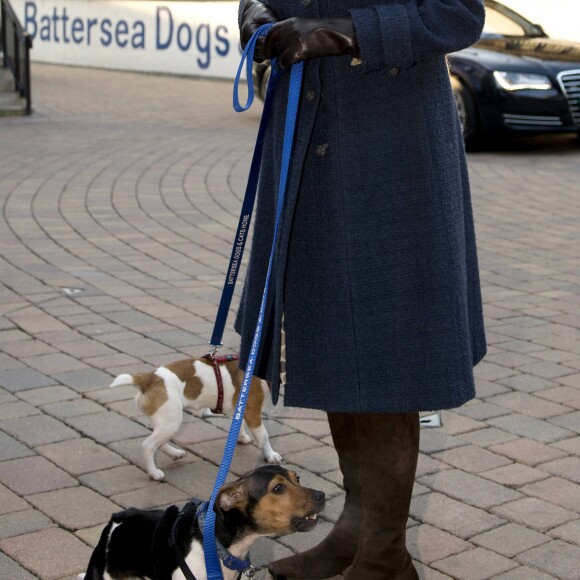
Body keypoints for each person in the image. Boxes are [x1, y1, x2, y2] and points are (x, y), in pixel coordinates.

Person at [235, 1, 487, 578]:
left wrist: (343, 33)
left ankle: (385, 558)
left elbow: (457, 14)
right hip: (305, 139)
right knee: (334, 344)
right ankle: (357, 533)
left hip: (389, 151)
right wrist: (255, 14)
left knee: (384, 358)